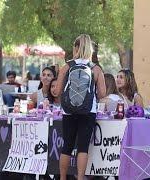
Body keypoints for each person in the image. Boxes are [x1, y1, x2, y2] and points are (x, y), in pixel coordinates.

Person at [56, 34, 106, 180]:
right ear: (90, 49)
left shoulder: (67, 66)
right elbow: (102, 93)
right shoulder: (95, 69)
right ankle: (80, 178)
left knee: (67, 146)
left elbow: (57, 92)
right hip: (87, 111)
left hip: (68, 111)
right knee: (83, 147)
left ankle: (63, 178)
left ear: (76, 47)